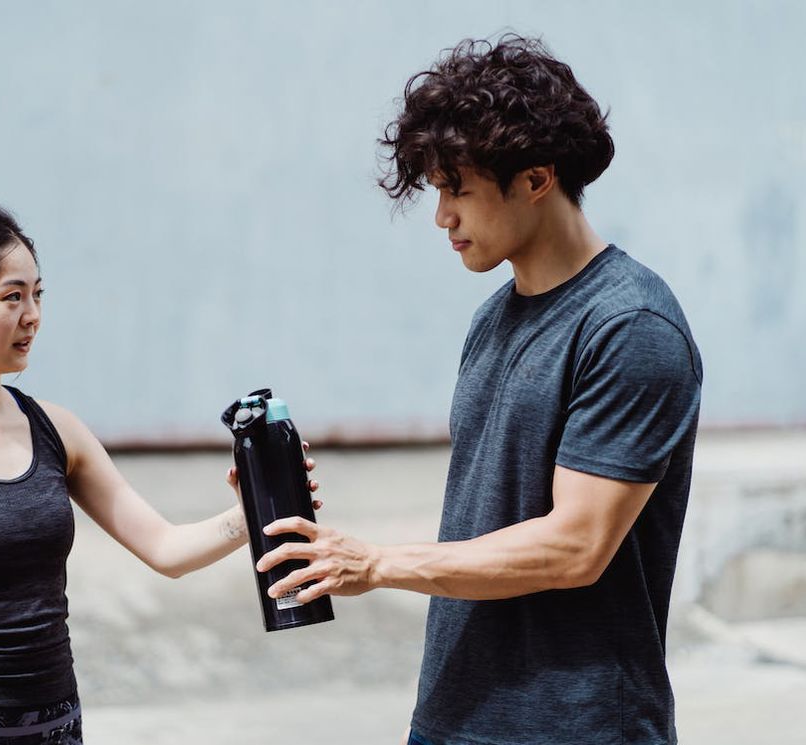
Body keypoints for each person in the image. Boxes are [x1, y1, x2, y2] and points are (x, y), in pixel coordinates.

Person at [255, 35, 702, 744]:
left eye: (457, 188)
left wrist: (376, 563)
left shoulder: (631, 325)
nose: (442, 217)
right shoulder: (492, 317)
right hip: (454, 713)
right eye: (437, 190)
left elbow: (577, 545)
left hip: (577, 725)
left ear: (536, 179)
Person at [0, 202, 318, 744]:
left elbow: (166, 548)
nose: (33, 315)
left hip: (58, 730)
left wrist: (254, 509)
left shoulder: (56, 431)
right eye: (12, 296)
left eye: (38, 294)